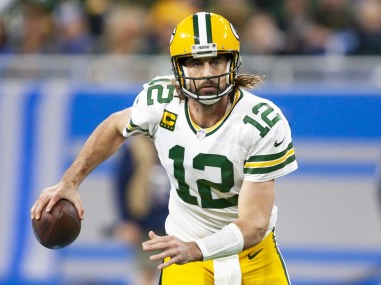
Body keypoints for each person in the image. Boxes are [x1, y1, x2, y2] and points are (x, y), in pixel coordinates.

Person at [31, 12, 298, 284]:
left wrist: (196, 249)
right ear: (178, 68)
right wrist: (70, 181)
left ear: (233, 62)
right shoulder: (160, 102)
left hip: (252, 255)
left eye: (216, 61)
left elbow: (254, 224)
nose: (206, 73)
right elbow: (114, 127)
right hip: (185, 249)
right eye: (195, 63)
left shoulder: (260, 121)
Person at [104, 135, 169, 285]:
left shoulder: (180, 141)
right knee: (146, 270)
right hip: (146, 221)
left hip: (177, 220)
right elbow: (121, 183)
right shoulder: (136, 147)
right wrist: (126, 220)